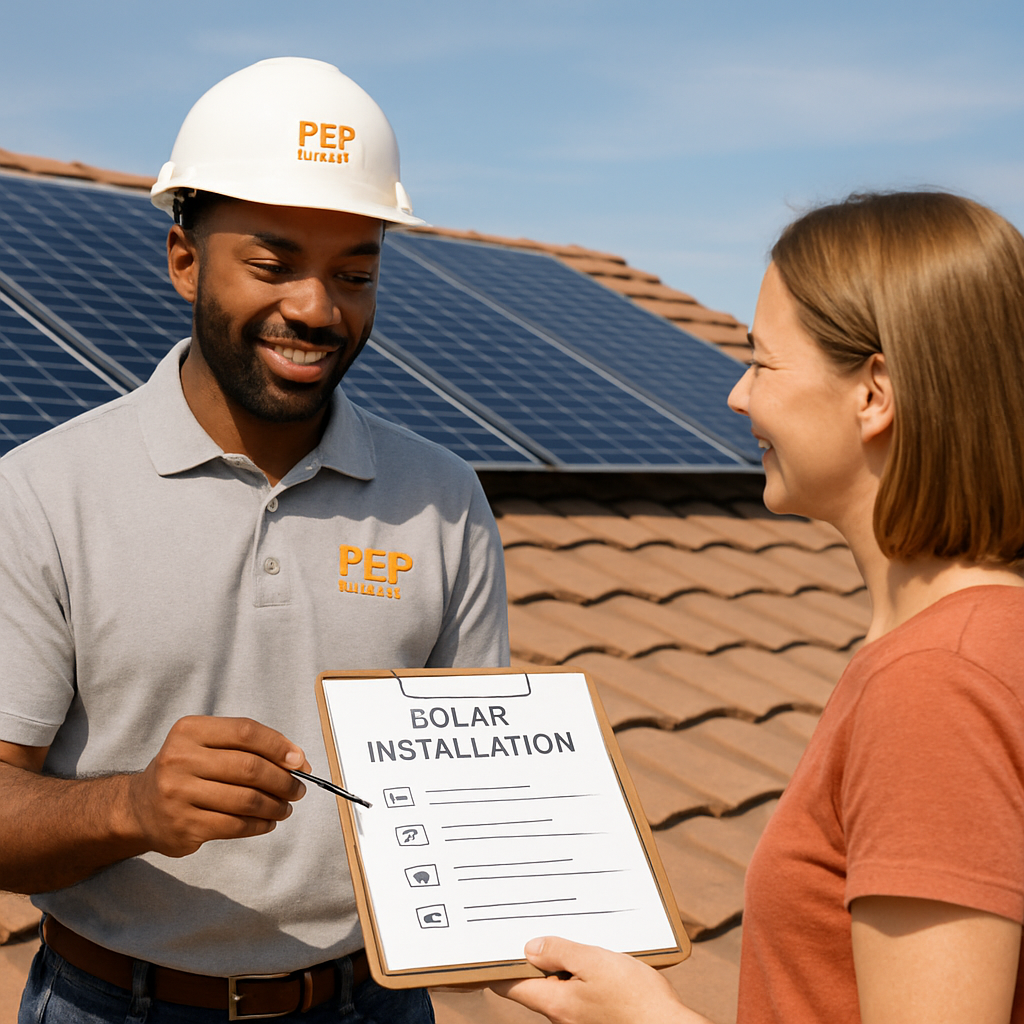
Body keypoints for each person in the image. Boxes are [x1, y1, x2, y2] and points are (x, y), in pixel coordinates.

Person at [0, 57, 508, 1023]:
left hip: (372, 1005)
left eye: (355, 272)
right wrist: (134, 806)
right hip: (116, 1004)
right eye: (273, 265)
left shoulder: (444, 500)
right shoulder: (39, 495)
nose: (318, 309)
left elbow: (479, 793)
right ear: (183, 260)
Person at [492, 190, 1024, 1024]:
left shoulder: (934, 685)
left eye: (762, 364)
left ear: (874, 393)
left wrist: (644, 1020)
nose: (738, 398)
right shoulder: (985, 640)